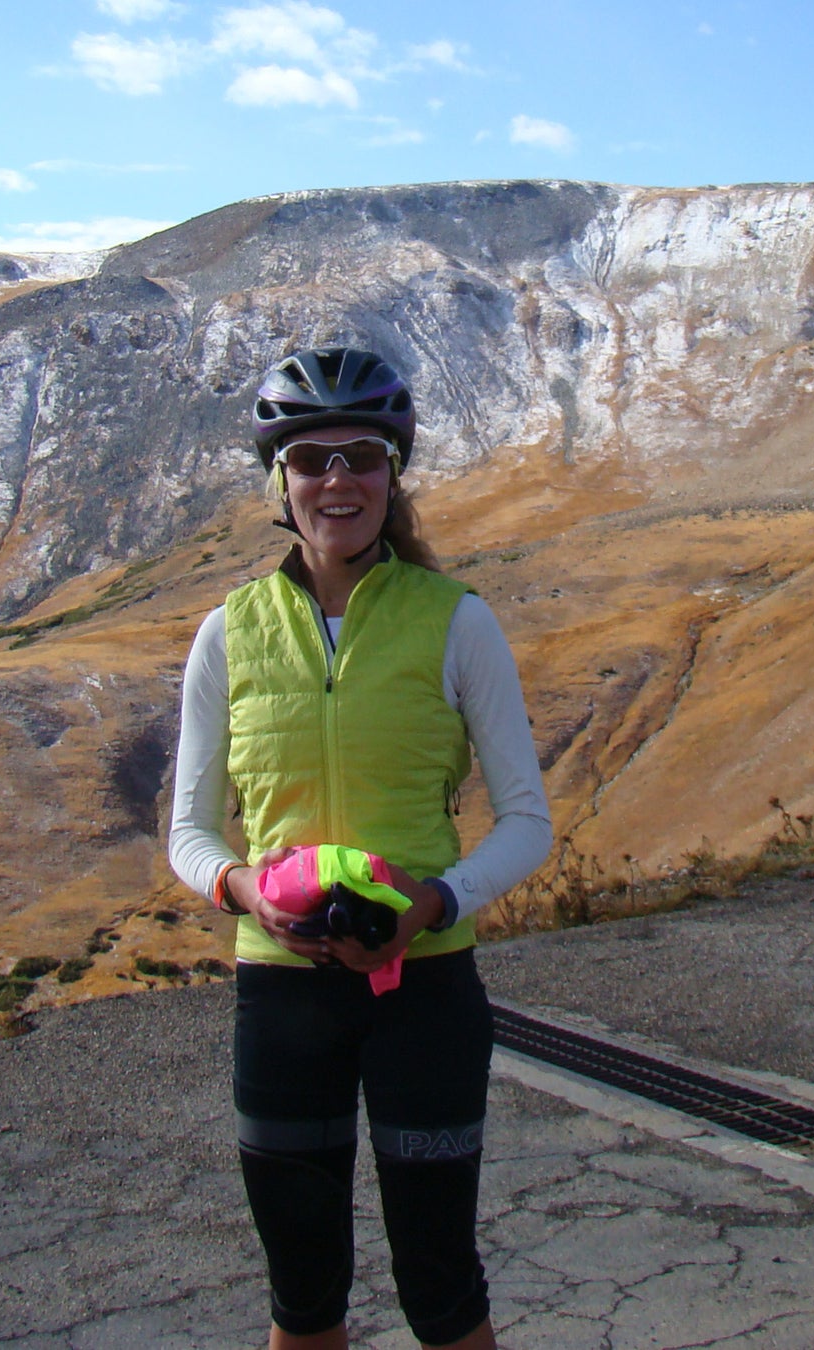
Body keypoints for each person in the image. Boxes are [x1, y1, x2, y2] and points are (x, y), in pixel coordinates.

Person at [168, 347, 553, 1349]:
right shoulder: (228, 632)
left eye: (362, 457)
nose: (337, 480)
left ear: (393, 474)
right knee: (303, 1295)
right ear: (279, 483)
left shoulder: (457, 622)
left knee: (441, 1288)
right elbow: (190, 833)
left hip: (423, 994)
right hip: (282, 996)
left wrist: (430, 904)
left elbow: (526, 821)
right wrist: (251, 892)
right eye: (311, 459)